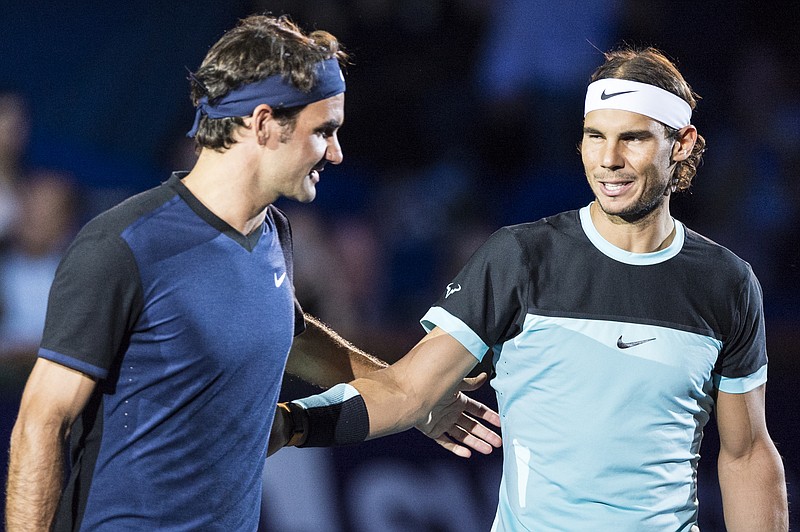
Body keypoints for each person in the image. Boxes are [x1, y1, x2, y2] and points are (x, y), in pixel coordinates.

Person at [5, 15, 501, 532]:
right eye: (323, 131)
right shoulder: (125, 246)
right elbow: (40, 425)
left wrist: (410, 396)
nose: (336, 152)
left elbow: (290, 333)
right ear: (264, 124)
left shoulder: (274, 234)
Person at [272, 47, 789, 531]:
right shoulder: (520, 258)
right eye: (594, 136)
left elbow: (746, 454)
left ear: (682, 143)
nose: (607, 159)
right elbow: (409, 391)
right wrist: (291, 424)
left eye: (631, 138)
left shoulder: (728, 283)